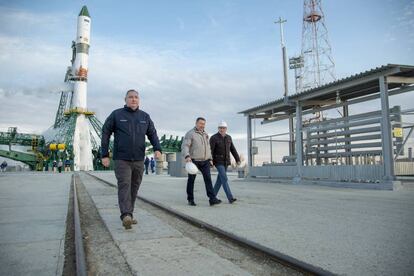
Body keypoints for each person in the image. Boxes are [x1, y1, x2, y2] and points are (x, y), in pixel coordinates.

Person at [101, 89, 162, 229]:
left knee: (134, 187)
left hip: (139, 159)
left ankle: (129, 214)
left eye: (136, 97)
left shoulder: (145, 117)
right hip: (122, 158)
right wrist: (104, 154)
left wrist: (157, 148)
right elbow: (105, 133)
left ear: (139, 100)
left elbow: (153, 134)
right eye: (130, 97)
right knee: (125, 185)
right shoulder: (116, 115)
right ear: (125, 99)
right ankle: (126, 215)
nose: (133, 99)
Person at [182, 117, 221, 206]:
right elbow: (185, 146)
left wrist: (210, 158)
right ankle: (190, 199)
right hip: (194, 161)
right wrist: (187, 156)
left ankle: (212, 199)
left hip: (205, 161)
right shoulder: (190, 133)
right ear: (196, 123)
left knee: (208, 179)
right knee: (191, 180)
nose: (202, 125)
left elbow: (208, 148)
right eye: (200, 123)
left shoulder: (205, 134)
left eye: (204, 124)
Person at [210, 121, 241, 204]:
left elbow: (233, 149)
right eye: (220, 128)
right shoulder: (214, 138)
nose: (222, 129)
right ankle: (230, 198)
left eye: (223, 128)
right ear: (218, 128)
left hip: (226, 162)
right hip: (218, 161)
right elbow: (211, 151)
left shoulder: (229, 138)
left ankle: (212, 197)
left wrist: (237, 159)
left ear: (226, 129)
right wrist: (210, 161)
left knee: (219, 181)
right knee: (224, 178)